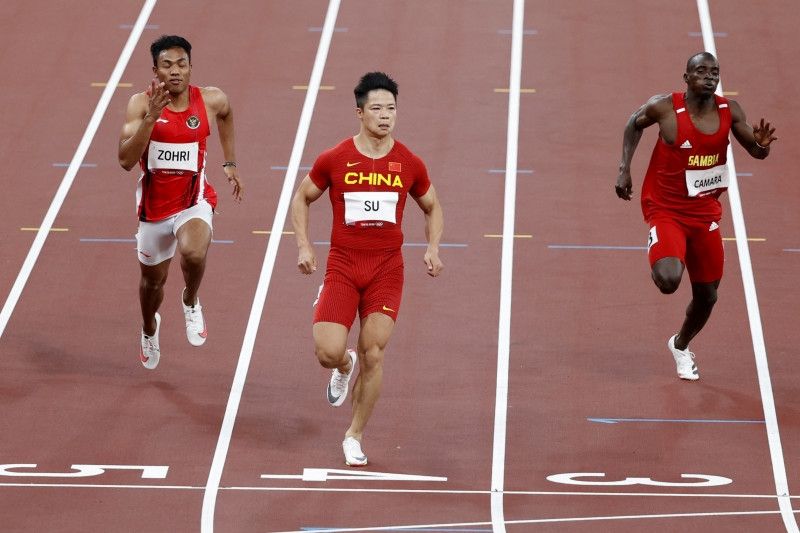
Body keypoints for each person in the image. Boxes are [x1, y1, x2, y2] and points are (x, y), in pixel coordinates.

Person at [290, 72, 444, 466]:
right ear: (359, 112)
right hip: (342, 267)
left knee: (373, 352)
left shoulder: (408, 162)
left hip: (386, 271)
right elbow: (302, 197)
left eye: (391, 108)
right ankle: (343, 366)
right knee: (327, 351)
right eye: (376, 108)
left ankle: (354, 435)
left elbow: (432, 206)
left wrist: (432, 246)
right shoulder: (335, 158)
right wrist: (304, 245)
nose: (385, 115)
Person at [615, 52, 776, 381]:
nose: (709, 77)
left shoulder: (729, 112)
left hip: (705, 214)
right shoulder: (665, 107)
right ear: (686, 78)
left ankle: (680, 344)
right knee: (669, 280)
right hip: (666, 209)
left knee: (708, 296)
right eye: (701, 71)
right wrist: (624, 169)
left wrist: (762, 147)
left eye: (714, 72)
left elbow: (755, 150)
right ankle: (663, 246)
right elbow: (634, 122)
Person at [118, 35, 243, 370]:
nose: (175, 71)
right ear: (155, 69)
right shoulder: (140, 104)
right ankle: (149, 328)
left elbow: (227, 114)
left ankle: (190, 299)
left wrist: (230, 163)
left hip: (193, 201)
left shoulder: (211, 100)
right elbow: (125, 160)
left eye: (181, 64)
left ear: (190, 67)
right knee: (152, 284)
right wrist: (151, 117)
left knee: (194, 251)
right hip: (154, 211)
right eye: (167, 65)